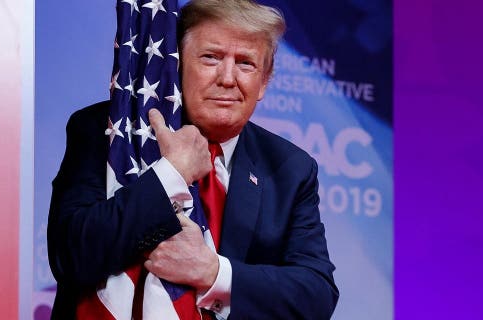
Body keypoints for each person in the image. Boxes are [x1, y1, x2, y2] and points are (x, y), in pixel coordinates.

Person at [48, 0, 339, 319]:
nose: (228, 79)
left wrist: (214, 274)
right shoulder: (110, 131)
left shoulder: (289, 168)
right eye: (211, 58)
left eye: (245, 64)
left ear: (264, 82)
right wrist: (170, 175)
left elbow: (317, 294)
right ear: (177, 66)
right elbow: (70, 254)